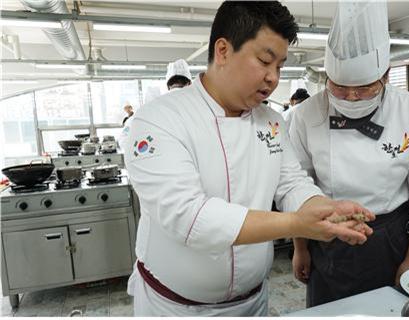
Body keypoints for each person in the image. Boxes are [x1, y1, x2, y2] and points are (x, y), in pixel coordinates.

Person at [123, 2, 375, 316]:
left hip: (253, 302)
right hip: (176, 308)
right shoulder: (160, 119)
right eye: (264, 61)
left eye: (280, 66)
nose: (273, 78)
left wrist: (324, 209)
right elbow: (189, 216)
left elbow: (290, 184)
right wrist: (296, 224)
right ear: (223, 50)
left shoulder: (271, 121)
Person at [289, 0, 409, 307]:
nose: (350, 97)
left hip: (389, 239)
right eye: (338, 87)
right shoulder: (306, 114)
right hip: (326, 236)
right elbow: (297, 182)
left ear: (386, 75)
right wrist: (301, 247)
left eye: (363, 88)